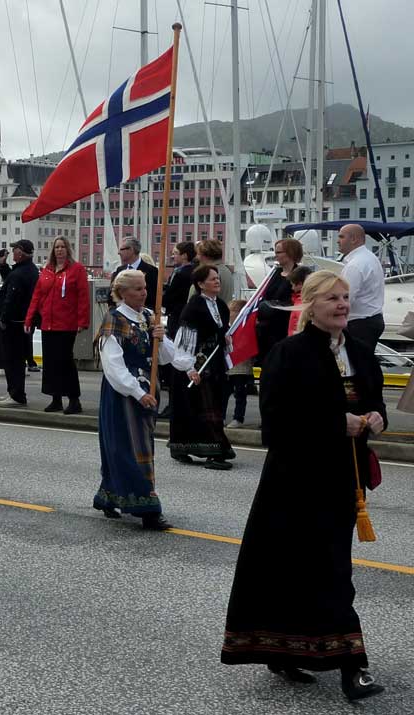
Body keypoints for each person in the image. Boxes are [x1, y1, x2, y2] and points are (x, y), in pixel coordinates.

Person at [221, 271, 386, 702]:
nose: (343, 304)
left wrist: (376, 418)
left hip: (343, 482)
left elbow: (374, 400)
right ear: (310, 305)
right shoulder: (287, 354)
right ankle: (346, 664)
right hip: (294, 481)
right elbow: (275, 425)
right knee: (294, 568)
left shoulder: (362, 354)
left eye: (346, 297)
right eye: (333, 298)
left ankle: (343, 661)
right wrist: (337, 424)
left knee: (333, 569)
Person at [93, 269, 177, 530]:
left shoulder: (150, 317)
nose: (144, 293)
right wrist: (137, 393)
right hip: (123, 395)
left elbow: (164, 358)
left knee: (141, 447)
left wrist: (160, 341)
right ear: (123, 292)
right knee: (126, 449)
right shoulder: (113, 321)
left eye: (145, 288)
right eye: (138, 289)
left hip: (148, 390)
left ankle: (109, 496)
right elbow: (113, 367)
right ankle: (147, 509)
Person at [168, 264, 235, 470]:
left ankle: (198, 448)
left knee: (211, 405)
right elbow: (184, 340)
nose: (217, 281)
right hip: (196, 364)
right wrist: (188, 368)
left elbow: (219, 331)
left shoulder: (221, 306)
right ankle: (211, 452)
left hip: (213, 364)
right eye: (212, 279)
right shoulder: (194, 306)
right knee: (202, 408)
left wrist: (225, 338)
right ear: (200, 284)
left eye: (218, 278)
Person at [26, 237, 90, 414]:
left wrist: (82, 321)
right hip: (48, 324)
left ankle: (74, 399)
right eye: (57, 247)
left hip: (67, 324)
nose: (59, 250)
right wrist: (29, 318)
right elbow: (37, 296)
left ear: (67, 249)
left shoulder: (77, 270)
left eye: (62, 247)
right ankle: (55, 398)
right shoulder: (47, 271)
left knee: (65, 361)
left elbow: (83, 296)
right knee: (50, 363)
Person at [0, 240, 38, 407]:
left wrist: (3, 318)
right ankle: (13, 391)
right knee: (16, 359)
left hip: (14, 323)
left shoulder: (21, 273)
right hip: (22, 322)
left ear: (20, 253)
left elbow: (11, 298)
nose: (12, 252)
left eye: (15, 250)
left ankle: (17, 395)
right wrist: (3, 265)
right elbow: (11, 279)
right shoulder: (28, 270)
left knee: (13, 360)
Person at [159, 241, 198, 418]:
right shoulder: (192, 272)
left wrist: (163, 296)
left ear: (184, 255)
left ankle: (174, 405)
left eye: (175, 253)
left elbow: (169, 297)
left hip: (177, 320)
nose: (172, 256)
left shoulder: (182, 274)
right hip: (182, 320)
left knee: (176, 362)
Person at [337, 223, 385, 355]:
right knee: (365, 363)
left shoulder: (355, 265)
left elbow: (346, 298)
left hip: (359, 323)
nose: (337, 240)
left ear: (353, 239)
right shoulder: (370, 258)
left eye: (341, 237)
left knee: (356, 365)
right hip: (372, 319)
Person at [254, 238, 301, 364]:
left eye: (279, 252)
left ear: (290, 253)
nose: (276, 255)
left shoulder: (299, 275)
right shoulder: (275, 273)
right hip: (267, 327)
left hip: (284, 325)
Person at [109, 238, 159, 309]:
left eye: (121, 249)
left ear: (131, 250)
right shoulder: (119, 270)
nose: (118, 253)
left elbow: (154, 298)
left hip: (141, 316)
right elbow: (111, 295)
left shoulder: (152, 271)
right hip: (120, 316)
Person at [224, 299, 251, 429]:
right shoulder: (226, 327)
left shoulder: (244, 327)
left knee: (240, 393)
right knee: (224, 392)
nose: (230, 313)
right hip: (228, 365)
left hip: (241, 366)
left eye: (233, 311)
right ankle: (221, 416)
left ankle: (238, 417)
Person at [192, 239, 236, 305]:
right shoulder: (226, 271)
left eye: (198, 254)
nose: (196, 257)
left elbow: (194, 298)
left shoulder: (208, 273)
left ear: (205, 255)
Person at [287, 265, 313, 336]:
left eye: (293, 285)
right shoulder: (311, 299)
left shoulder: (301, 303)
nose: (292, 288)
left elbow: (302, 326)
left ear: (300, 284)